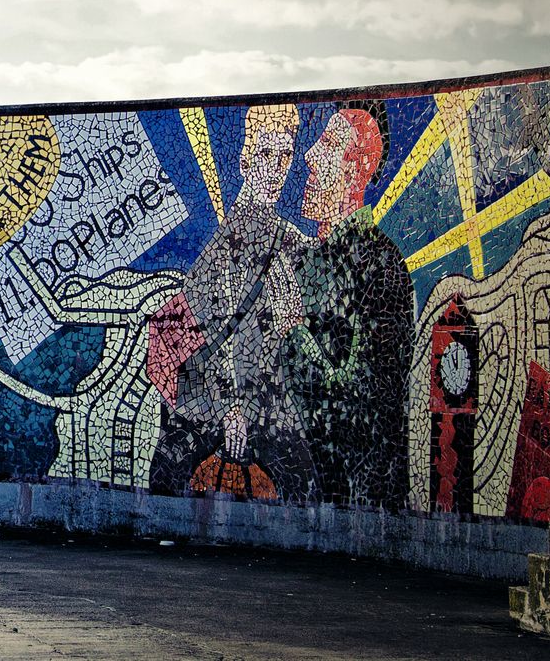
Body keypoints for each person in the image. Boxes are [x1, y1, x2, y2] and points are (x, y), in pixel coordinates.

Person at [150, 104, 318, 501]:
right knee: (168, 475)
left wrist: (291, 321)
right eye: (265, 155)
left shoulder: (292, 242)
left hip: (267, 400)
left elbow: (285, 337)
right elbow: (210, 332)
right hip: (220, 405)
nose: (275, 168)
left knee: (307, 484)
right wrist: (228, 411)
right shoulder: (225, 244)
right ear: (244, 160)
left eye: (284, 156)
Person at [279, 102, 414, 509]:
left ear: (357, 170)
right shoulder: (303, 262)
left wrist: (294, 329)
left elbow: (364, 404)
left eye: (330, 143)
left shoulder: (382, 265)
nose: (310, 155)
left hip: (359, 502)